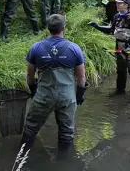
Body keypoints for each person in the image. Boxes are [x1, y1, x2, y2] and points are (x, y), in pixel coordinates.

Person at [21, 14, 87, 155]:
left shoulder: (36, 48)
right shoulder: (74, 49)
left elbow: (29, 76)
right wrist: (79, 95)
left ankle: (23, 157)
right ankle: (63, 162)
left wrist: (34, 91)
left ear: (48, 28)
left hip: (44, 96)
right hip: (67, 98)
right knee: (66, 132)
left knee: (31, 127)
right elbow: (81, 77)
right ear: (63, 28)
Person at [88, 0, 130, 104]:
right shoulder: (117, 16)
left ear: (127, 5)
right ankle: (120, 91)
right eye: (117, 3)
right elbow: (111, 30)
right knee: (121, 70)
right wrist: (97, 26)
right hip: (119, 47)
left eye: (120, 3)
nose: (117, 4)